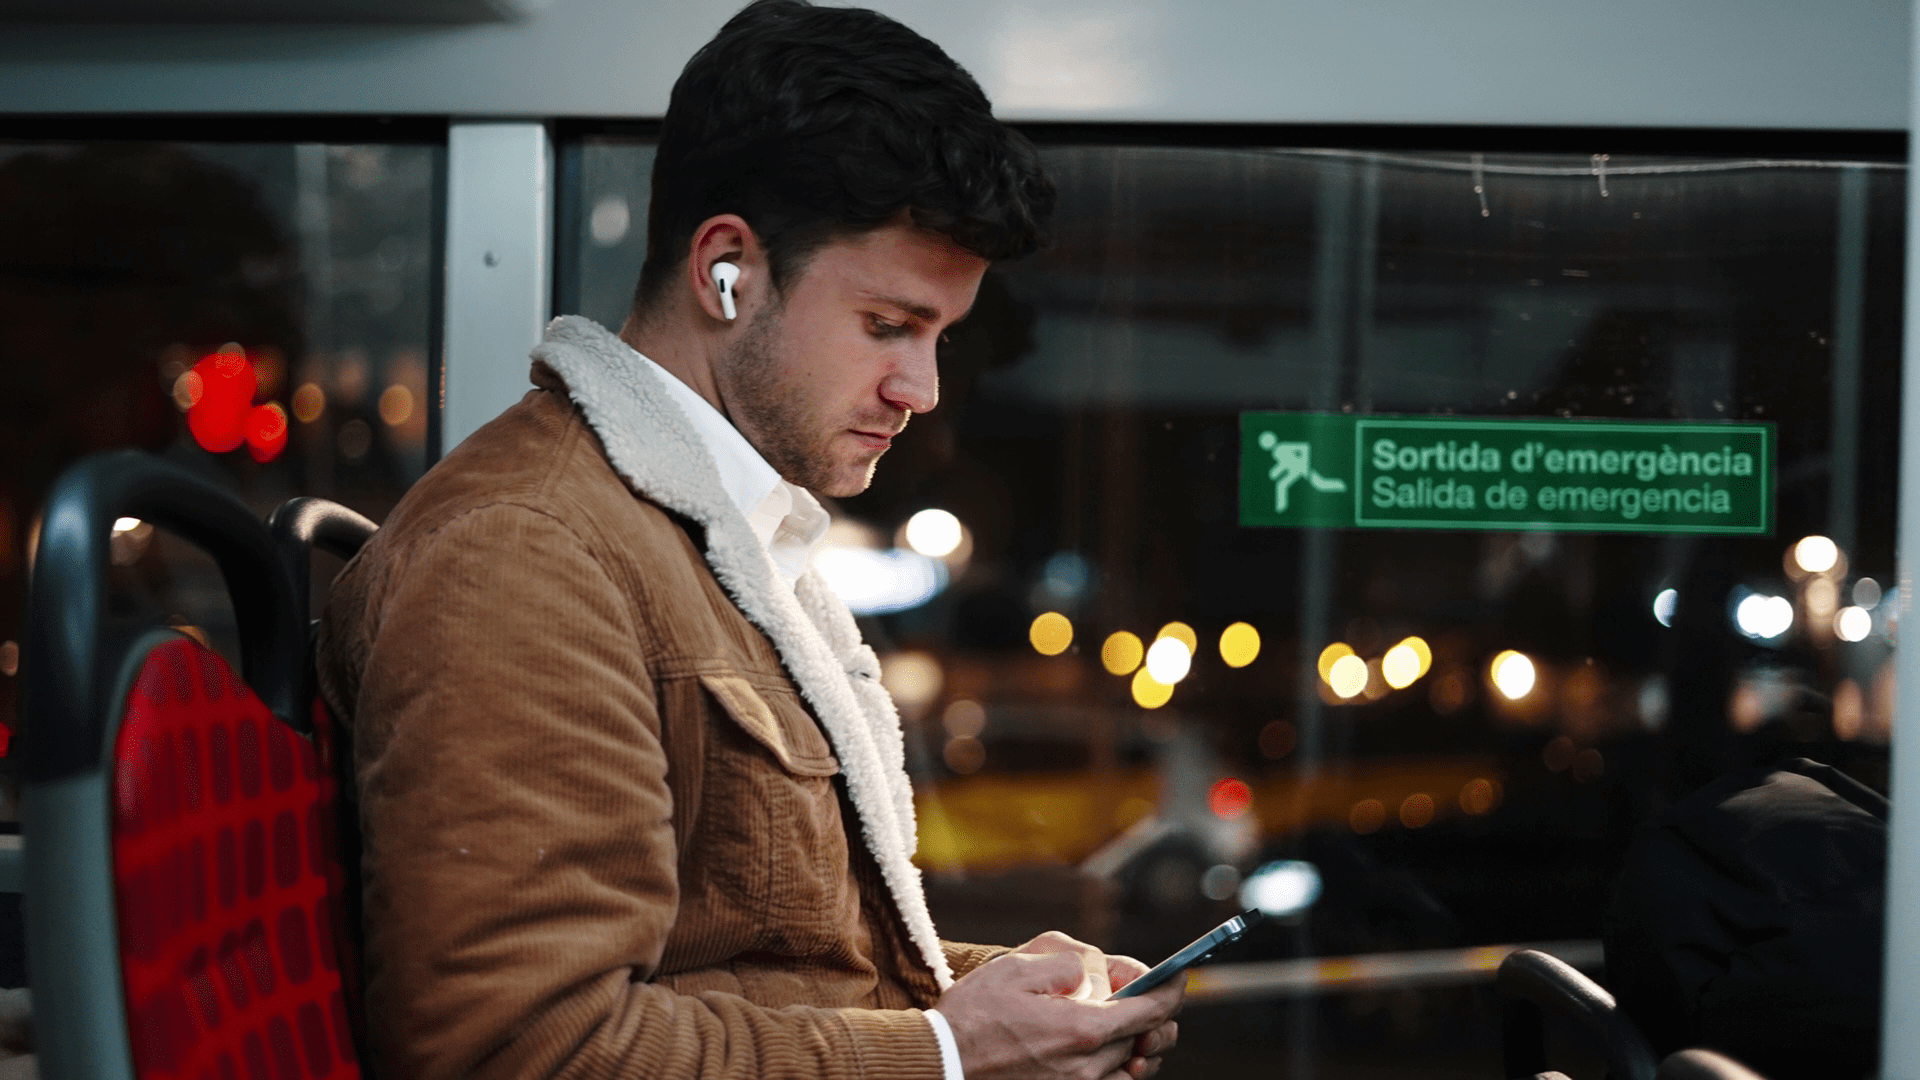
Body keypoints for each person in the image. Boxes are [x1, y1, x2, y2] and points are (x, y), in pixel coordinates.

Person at [315, 3, 1186, 1080]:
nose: (921, 391)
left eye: (940, 338)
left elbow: (786, 967)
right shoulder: (525, 556)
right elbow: (519, 1048)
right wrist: (951, 1055)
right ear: (727, 268)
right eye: (887, 326)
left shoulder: (717, 541)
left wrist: (995, 1003)